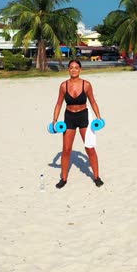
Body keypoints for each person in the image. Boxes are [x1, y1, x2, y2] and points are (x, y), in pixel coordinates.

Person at [52, 59, 104, 189]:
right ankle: (63, 178)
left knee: (89, 147)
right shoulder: (63, 86)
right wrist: (54, 120)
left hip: (83, 116)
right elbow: (59, 103)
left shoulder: (86, 85)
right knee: (66, 149)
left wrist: (99, 118)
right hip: (69, 117)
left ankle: (96, 176)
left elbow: (93, 101)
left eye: (76, 67)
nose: (74, 70)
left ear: (80, 70)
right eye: (71, 67)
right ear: (68, 69)